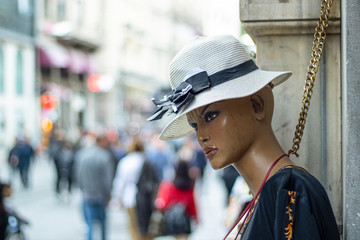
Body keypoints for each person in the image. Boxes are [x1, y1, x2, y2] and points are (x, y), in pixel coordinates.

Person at [148, 35, 340, 240]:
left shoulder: (289, 193)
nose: (201, 136)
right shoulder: (264, 195)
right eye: (194, 125)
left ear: (257, 105)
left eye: (211, 116)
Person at [112, 136, 153, 240]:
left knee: (133, 228)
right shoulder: (147, 160)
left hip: (129, 197)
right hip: (146, 199)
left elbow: (120, 181)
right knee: (146, 228)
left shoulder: (126, 161)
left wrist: (116, 198)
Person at [75, 134, 113, 240]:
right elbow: (107, 178)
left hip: (88, 193)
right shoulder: (105, 156)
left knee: (90, 222)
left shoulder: (83, 155)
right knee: (102, 221)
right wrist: (108, 195)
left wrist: (83, 189)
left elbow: (78, 174)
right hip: (100, 194)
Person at [154, 160, 198, 240]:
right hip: (185, 221)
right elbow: (192, 204)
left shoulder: (169, 186)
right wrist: (196, 218)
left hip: (173, 221)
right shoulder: (189, 186)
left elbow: (163, 203)